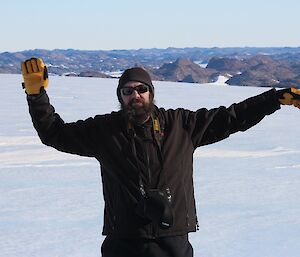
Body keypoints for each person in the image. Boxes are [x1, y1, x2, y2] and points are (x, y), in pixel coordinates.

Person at [21, 57, 300, 257]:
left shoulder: (181, 125)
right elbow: (54, 134)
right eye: (128, 91)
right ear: (121, 96)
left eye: (141, 89)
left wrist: (274, 99)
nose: (135, 95)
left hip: (173, 240)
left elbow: (232, 117)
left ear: (151, 93)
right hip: (124, 241)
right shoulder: (104, 131)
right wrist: (36, 95)